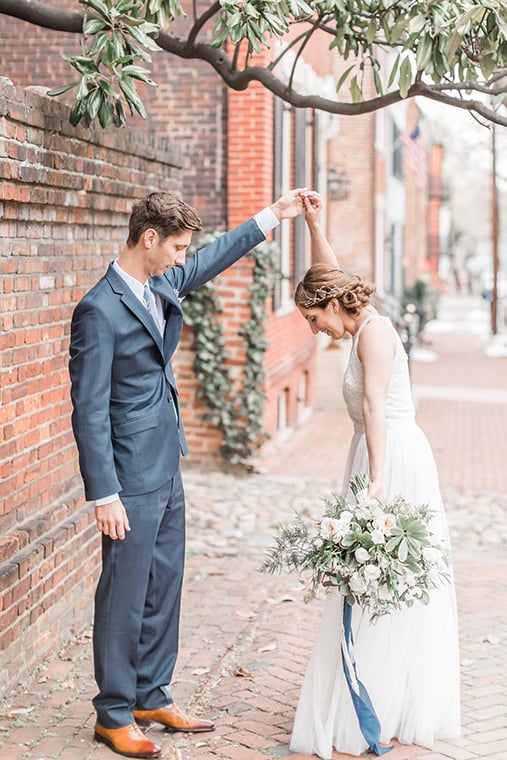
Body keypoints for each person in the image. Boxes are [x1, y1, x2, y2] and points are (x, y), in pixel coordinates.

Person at [69, 188, 313, 759]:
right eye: (177, 246)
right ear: (148, 239)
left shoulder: (160, 281)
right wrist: (103, 492)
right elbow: (88, 407)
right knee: (124, 592)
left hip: (166, 461)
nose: (183, 257)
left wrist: (271, 216)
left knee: (165, 583)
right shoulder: (98, 310)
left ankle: (152, 692)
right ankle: (113, 712)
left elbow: (210, 259)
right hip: (127, 475)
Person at [289, 196, 461, 759]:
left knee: (384, 581)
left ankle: (382, 699)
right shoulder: (356, 323)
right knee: (367, 580)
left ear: (331, 306)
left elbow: (376, 410)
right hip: (374, 452)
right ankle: (370, 688)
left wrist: (378, 483)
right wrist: (315, 225)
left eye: (314, 320)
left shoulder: (376, 335)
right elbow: (329, 276)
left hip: (394, 457)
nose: (316, 331)